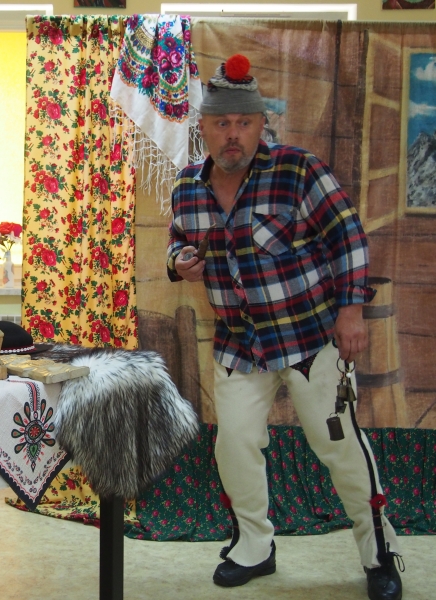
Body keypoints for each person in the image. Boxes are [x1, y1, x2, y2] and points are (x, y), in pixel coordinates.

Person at [166, 55, 403, 600]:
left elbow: (348, 236)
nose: (233, 134)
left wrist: (351, 311)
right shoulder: (187, 186)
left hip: (310, 338)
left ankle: (379, 553)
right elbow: (179, 238)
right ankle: (254, 546)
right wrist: (179, 259)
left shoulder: (299, 170)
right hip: (239, 345)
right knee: (235, 445)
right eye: (222, 123)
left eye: (244, 122)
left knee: (339, 445)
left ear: (259, 124)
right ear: (204, 127)